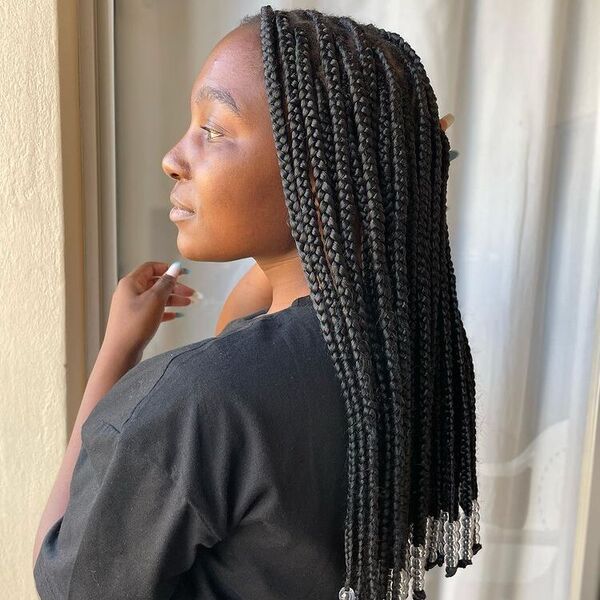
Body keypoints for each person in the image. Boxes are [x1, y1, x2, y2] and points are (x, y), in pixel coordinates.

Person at [32, 6, 480, 600]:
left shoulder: (194, 404)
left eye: (212, 129)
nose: (174, 157)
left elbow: (64, 574)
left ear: (314, 179)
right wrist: (381, 180)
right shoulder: (401, 348)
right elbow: (261, 317)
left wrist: (115, 353)